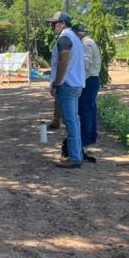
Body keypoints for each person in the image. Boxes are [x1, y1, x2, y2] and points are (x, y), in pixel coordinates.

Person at [46, 11, 86, 168]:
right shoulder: (75, 39)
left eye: (53, 24)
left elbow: (63, 62)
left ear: (62, 24)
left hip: (67, 85)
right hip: (76, 84)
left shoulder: (64, 39)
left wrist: (57, 83)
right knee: (74, 121)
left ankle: (75, 157)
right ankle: (77, 154)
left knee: (70, 122)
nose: (51, 27)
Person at [74, 25, 101, 149]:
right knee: (90, 109)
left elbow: (85, 62)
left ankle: (86, 139)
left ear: (79, 34)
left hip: (89, 80)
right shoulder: (89, 42)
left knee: (85, 110)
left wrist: (77, 76)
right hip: (92, 80)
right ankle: (91, 136)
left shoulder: (86, 44)